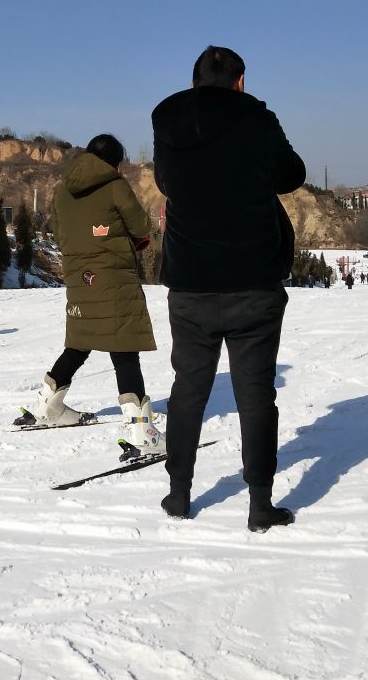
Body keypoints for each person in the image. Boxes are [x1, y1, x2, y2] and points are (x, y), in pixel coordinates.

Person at [152, 45, 306, 530]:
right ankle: (260, 504)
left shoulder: (167, 119)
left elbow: (164, 179)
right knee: (256, 394)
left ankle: (178, 495)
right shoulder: (258, 119)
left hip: (190, 282)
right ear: (241, 81)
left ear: (194, 81)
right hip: (252, 282)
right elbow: (292, 174)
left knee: (188, 389)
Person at [25, 134, 164, 455]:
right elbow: (142, 226)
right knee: (124, 345)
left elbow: (59, 233)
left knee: (80, 340)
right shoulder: (114, 186)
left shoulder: (62, 191)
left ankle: (48, 406)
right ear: (115, 162)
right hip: (114, 277)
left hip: (78, 276)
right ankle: (142, 432)